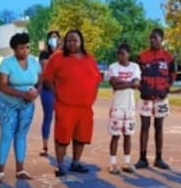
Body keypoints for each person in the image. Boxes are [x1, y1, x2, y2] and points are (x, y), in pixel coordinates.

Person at [42, 29, 102, 177]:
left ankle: (76, 162)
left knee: (81, 137)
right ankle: (61, 165)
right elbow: (47, 79)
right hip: (65, 105)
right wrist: (57, 93)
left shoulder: (89, 58)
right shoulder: (57, 58)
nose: (72, 43)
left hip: (85, 107)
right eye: (69, 40)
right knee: (62, 137)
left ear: (81, 42)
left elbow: (97, 79)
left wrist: (93, 95)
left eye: (75, 40)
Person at [0, 33, 41, 182]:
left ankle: (20, 169)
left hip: (27, 105)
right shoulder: (6, 64)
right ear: (14, 49)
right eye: (21, 48)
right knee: (7, 135)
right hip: (7, 105)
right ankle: (0, 171)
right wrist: (22, 94)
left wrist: (35, 93)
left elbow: (40, 80)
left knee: (21, 135)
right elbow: (2, 86)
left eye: (27, 47)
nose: (25, 51)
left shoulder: (34, 62)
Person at [136, 28, 176, 169]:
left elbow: (172, 74)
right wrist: (142, 88)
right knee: (144, 126)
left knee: (159, 126)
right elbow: (136, 74)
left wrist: (167, 88)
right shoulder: (142, 56)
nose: (152, 40)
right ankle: (142, 157)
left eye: (155, 38)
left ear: (161, 40)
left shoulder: (168, 57)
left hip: (161, 98)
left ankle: (159, 158)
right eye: (151, 38)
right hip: (146, 97)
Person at [106, 43, 141, 174]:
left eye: (123, 53)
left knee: (128, 135)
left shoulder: (134, 67)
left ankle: (127, 161)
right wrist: (130, 83)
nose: (120, 56)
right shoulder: (113, 67)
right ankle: (112, 163)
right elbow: (115, 83)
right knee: (115, 135)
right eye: (118, 53)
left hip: (130, 106)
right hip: (117, 106)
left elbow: (137, 83)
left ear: (128, 54)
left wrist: (125, 84)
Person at [38, 30, 61, 157]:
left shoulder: (63, 54)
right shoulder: (44, 54)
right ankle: (45, 146)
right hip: (48, 89)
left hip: (61, 90)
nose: (54, 39)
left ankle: (60, 144)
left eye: (56, 37)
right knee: (48, 117)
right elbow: (47, 69)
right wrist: (56, 53)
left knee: (61, 118)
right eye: (51, 37)